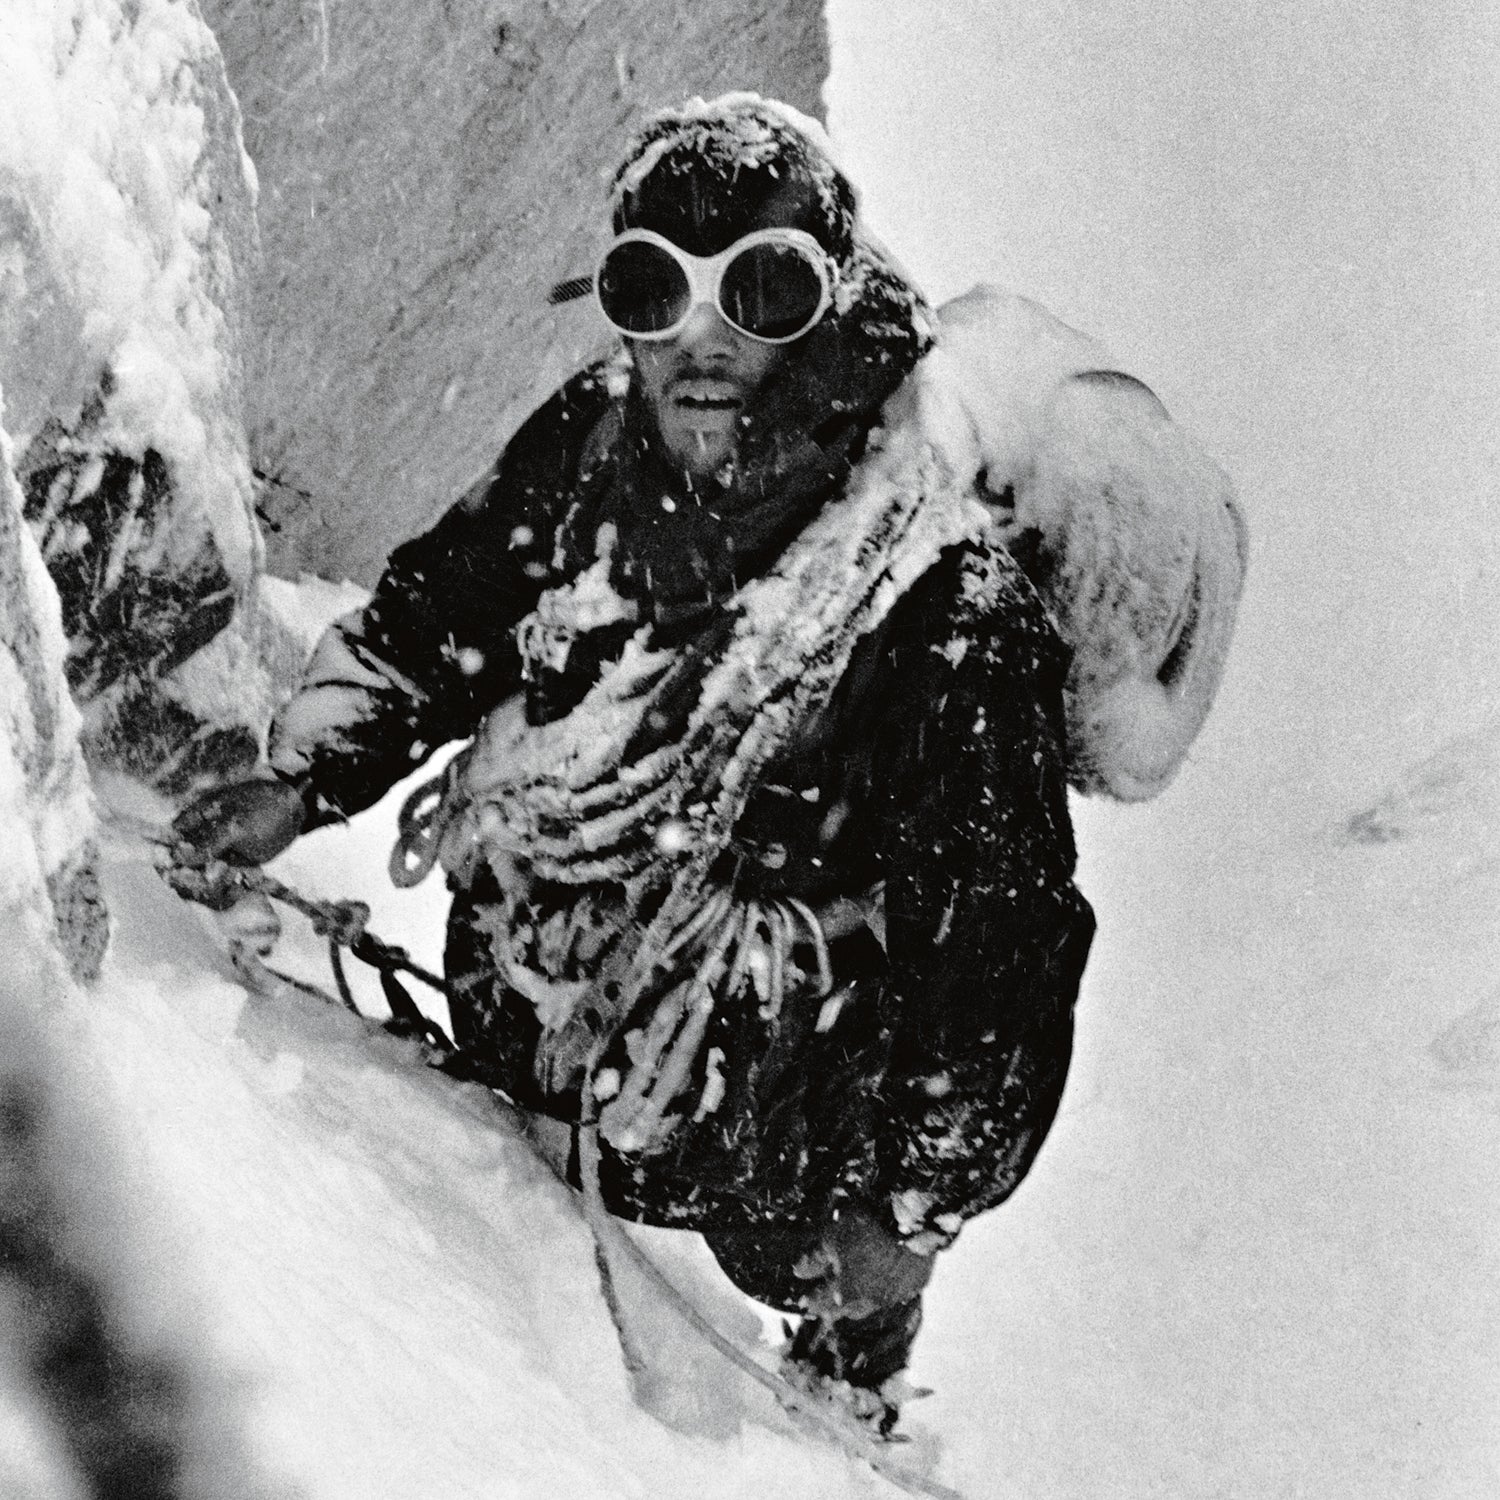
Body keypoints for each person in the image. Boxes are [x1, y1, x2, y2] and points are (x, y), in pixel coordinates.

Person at [172, 93, 1104, 1431]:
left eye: (765, 289)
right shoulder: (592, 449)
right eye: (652, 287)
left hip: (781, 1135)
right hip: (536, 1010)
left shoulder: (945, 608)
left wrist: (913, 1211)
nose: (702, 337)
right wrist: (303, 783)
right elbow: (442, 619)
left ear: (831, 310)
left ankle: (851, 1377)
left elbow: (1003, 953)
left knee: (806, 1259)